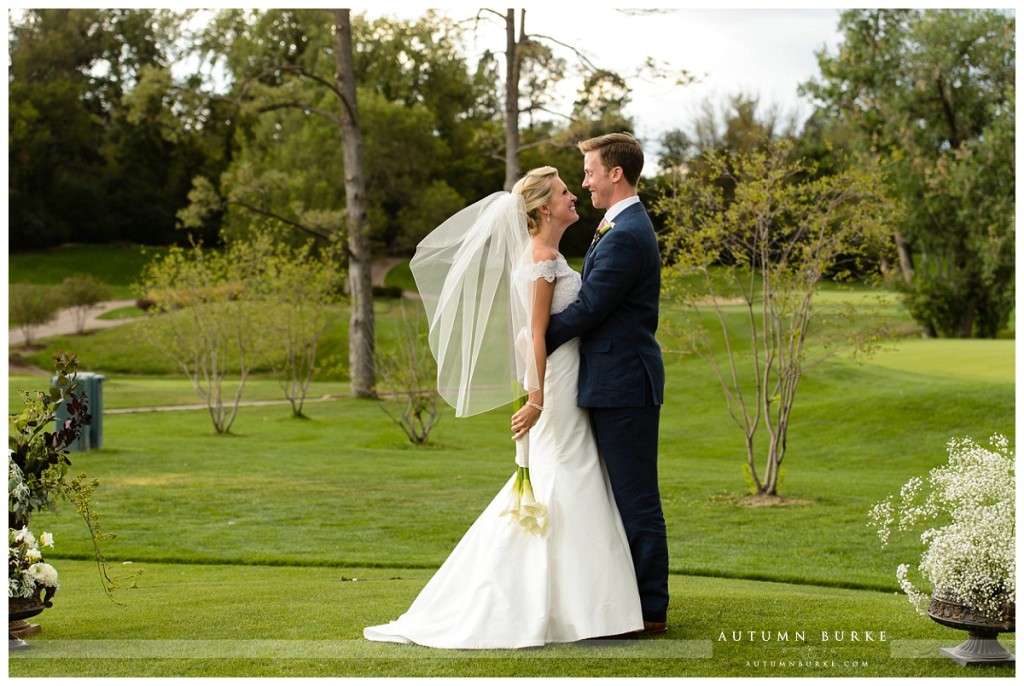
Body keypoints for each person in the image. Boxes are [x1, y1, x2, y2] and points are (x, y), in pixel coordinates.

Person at [362, 167, 644, 649]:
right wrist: (534, 399)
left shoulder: (547, 254)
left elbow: (527, 333)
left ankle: (579, 606)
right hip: (554, 385)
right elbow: (534, 332)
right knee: (567, 474)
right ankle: (571, 606)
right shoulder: (540, 257)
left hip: (564, 376)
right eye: (562, 192)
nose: (572, 195)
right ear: (543, 209)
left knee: (569, 475)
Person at [544, 133, 669, 634]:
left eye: (590, 170)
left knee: (636, 497)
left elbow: (590, 308)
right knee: (615, 496)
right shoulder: (618, 225)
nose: (584, 180)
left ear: (616, 173)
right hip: (611, 379)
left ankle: (650, 610)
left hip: (624, 384)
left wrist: (533, 342)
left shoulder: (627, 233)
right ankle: (623, 601)